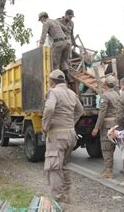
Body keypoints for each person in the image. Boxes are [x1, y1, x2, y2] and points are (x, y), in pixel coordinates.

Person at [42, 70, 84, 203]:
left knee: (54, 166)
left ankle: (56, 199)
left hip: (57, 135)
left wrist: (45, 126)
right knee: (64, 165)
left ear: (52, 82)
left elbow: (49, 109)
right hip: (71, 134)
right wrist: (71, 123)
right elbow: (80, 110)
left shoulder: (53, 92)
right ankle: (66, 195)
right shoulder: (72, 93)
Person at [92, 75, 120, 179]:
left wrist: (96, 128)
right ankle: (108, 168)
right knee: (111, 147)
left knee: (106, 148)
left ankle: (109, 171)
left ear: (105, 84)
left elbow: (102, 113)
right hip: (116, 124)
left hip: (107, 125)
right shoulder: (117, 95)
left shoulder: (105, 96)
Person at [38, 12, 70, 77]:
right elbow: (66, 29)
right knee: (63, 61)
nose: (41, 21)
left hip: (58, 43)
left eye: (40, 20)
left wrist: (41, 45)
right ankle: (68, 79)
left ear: (43, 18)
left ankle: (59, 80)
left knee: (55, 63)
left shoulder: (46, 23)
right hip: (67, 42)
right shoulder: (54, 21)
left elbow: (43, 34)